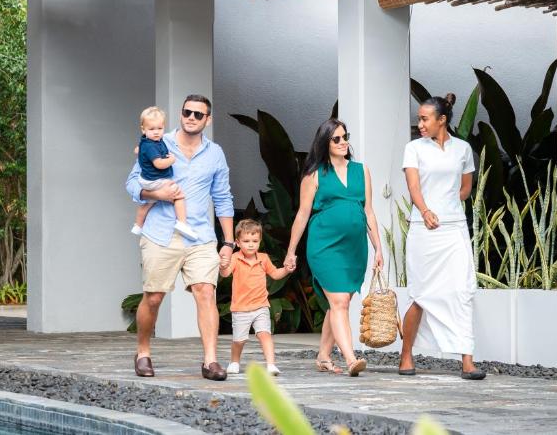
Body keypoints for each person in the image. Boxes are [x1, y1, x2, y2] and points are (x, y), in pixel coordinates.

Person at [125, 94, 236, 381]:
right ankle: (143, 351)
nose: (191, 117)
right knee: (154, 297)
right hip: (161, 233)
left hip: (200, 236)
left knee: (206, 292)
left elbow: (223, 198)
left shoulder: (215, 153)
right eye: (187, 112)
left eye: (198, 114)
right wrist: (156, 194)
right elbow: (132, 183)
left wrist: (228, 242)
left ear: (207, 120)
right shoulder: (158, 142)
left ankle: (210, 361)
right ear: (181, 114)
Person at [284, 119, 384, 377]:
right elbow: (302, 215)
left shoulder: (362, 171)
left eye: (345, 137)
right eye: (336, 139)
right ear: (325, 143)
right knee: (339, 301)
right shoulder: (314, 175)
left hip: (354, 249)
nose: (342, 142)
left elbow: (369, 212)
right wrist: (291, 251)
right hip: (325, 246)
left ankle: (323, 355)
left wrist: (378, 248)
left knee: (338, 303)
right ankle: (351, 359)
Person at [398, 94, 486, 380]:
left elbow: (465, 188)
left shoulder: (463, 149)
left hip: (454, 228)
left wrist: (447, 206)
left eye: (425, 119)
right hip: (423, 229)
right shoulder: (414, 148)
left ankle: (467, 361)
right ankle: (406, 354)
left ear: (442, 120)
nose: (420, 124)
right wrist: (425, 211)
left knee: (462, 291)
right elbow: (413, 187)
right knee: (421, 293)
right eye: (419, 119)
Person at [222, 219, 294, 376]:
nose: (251, 245)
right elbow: (225, 274)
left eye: (255, 241)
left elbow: (275, 274)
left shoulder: (264, 258)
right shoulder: (235, 258)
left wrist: (286, 270)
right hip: (241, 308)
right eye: (246, 241)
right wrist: (222, 265)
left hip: (261, 306)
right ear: (238, 243)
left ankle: (271, 365)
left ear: (260, 241)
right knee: (239, 340)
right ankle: (234, 361)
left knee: (265, 334)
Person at [131, 106, 198, 240]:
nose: (156, 132)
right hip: (155, 180)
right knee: (178, 195)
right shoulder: (151, 146)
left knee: (148, 203)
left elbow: (136, 150)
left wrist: (140, 151)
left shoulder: (146, 141)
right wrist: (171, 160)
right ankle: (182, 224)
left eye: (159, 128)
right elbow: (159, 164)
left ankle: (137, 225)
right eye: (152, 129)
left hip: (146, 179)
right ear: (143, 129)